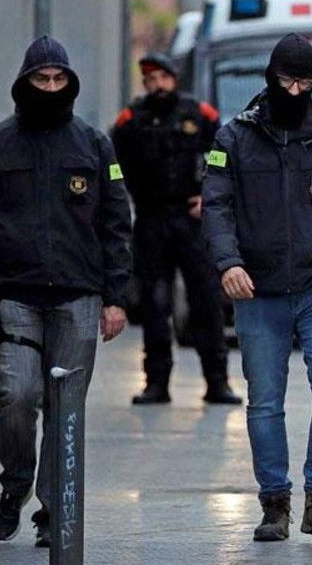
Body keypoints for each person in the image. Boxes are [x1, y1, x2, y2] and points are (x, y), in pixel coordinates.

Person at [0, 36, 133, 547]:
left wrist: (116, 298)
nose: (50, 88)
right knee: (18, 395)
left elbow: (117, 225)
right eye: (41, 80)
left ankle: (53, 511)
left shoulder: (95, 146)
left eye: (59, 80)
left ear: (70, 85)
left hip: (78, 296)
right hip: (14, 296)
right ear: (25, 83)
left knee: (66, 407)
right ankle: (14, 485)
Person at [202, 33, 312, 542]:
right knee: (264, 400)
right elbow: (216, 207)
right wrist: (227, 263)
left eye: (305, 82)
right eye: (287, 80)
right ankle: (274, 504)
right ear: (270, 78)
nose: (295, 90)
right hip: (257, 290)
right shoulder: (233, 139)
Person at [111, 52, 240, 406]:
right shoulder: (132, 120)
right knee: (154, 303)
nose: (157, 86)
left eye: (163, 79)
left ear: (174, 78)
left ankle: (217, 382)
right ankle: (157, 383)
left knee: (206, 301)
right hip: (152, 220)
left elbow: (224, 155)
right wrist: (130, 198)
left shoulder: (199, 115)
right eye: (150, 80)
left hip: (192, 219)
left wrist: (209, 194)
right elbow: (112, 163)